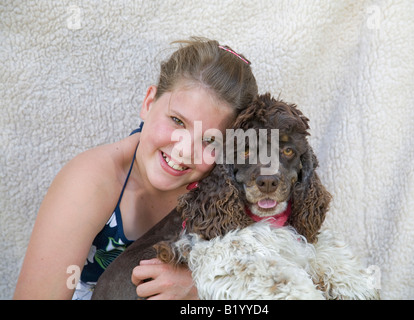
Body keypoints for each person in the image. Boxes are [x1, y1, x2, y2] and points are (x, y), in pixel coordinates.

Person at [14, 37, 258, 300]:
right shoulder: (90, 182)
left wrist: (201, 284)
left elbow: (277, 271)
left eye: (210, 140)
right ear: (149, 103)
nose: (184, 150)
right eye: (177, 121)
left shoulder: (223, 190)